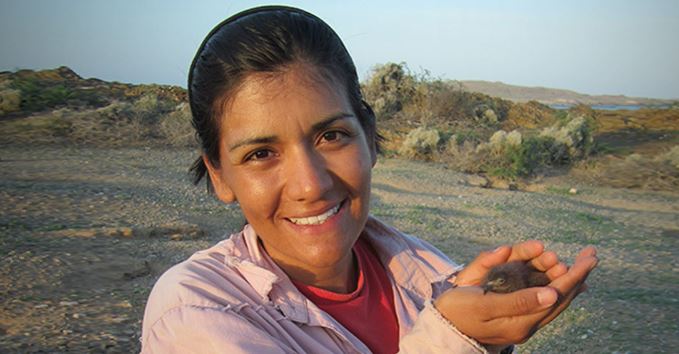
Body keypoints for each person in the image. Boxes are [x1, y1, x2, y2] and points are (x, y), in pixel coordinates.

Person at [140, 6, 597, 353]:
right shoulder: (195, 311)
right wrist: (454, 339)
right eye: (261, 154)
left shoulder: (425, 271)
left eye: (331, 136)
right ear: (219, 176)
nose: (310, 185)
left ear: (371, 139)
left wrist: (487, 325)